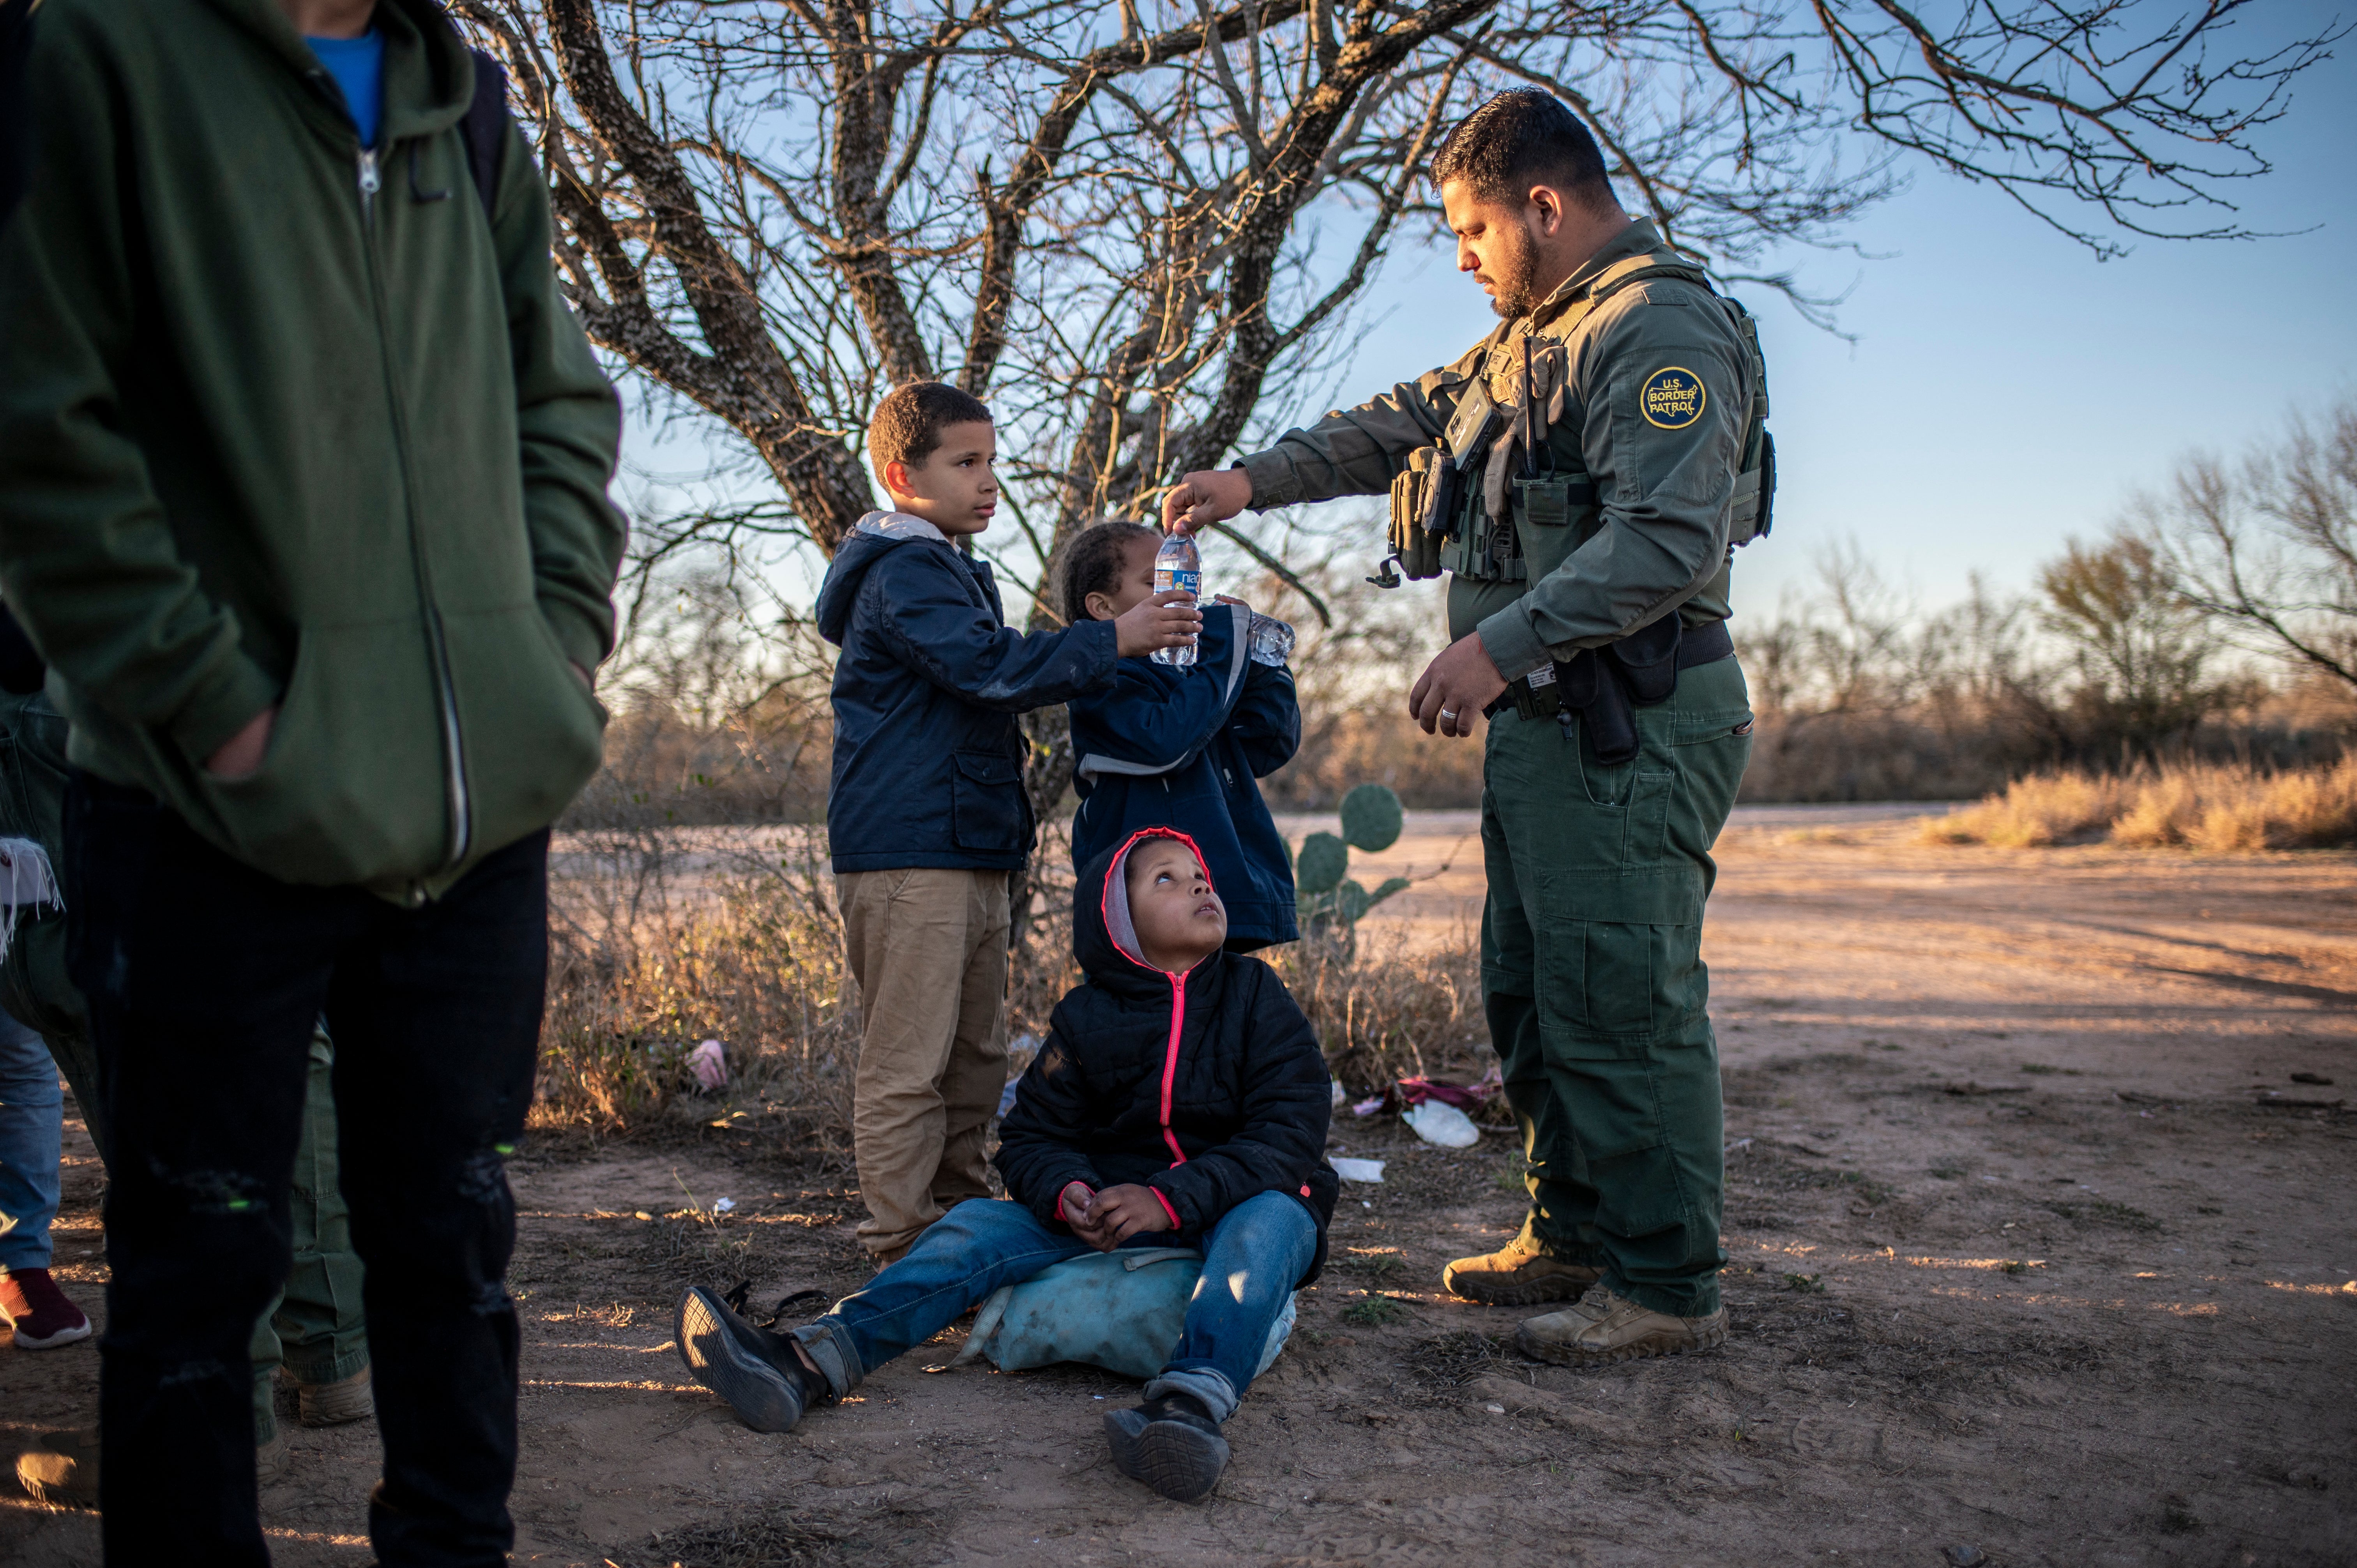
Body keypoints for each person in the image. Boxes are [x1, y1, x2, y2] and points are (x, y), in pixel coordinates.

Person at [0, 0, 628, 1559]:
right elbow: (39, 417)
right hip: (200, 812)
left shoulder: (465, 105)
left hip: (474, 811)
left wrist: (550, 655)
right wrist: (216, 713)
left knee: (451, 1246)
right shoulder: (93, 57)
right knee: (199, 1270)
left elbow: (559, 403)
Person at [1164, 89, 1770, 1367]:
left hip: (1628, 719)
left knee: (1617, 996)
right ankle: (1570, 1231)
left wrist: (1496, 646)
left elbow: (1667, 537)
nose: (1460, 255)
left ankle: (1662, 1282)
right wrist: (1244, 481)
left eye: (1470, 227)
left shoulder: (1654, 323)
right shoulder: (1524, 341)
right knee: (1533, 990)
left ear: (1542, 207)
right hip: (1548, 725)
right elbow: (1392, 422)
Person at [672, 827, 1338, 1503]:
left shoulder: (1255, 996)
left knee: (1275, 1219)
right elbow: (1031, 1136)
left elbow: (1290, 1130)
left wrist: (1168, 1199)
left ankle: (1187, 1409)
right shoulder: (1085, 1020)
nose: (1200, 882)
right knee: (974, 1227)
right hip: (1110, 1214)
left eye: (1199, 872)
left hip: (1234, 1204)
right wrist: (1069, 1191)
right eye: (1165, 878)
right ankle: (809, 1359)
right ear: (1116, 922)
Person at [814, 383, 1198, 1264]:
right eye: (966, 463)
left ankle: (956, 1221)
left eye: (992, 460)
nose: (990, 482)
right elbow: (989, 668)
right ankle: (903, 1245)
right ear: (899, 474)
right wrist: (1115, 639)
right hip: (910, 848)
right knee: (909, 1060)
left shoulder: (949, 564)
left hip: (969, 844)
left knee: (977, 1052)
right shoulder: (904, 572)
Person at [1058, 521, 1303, 949]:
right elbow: (1165, 743)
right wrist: (1224, 650)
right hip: (1148, 919)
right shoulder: (1101, 684)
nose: (1182, 595)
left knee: (1232, 1011)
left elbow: (1268, 743)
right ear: (1104, 608)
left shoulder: (1192, 680)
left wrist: (1260, 666)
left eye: (1185, 581)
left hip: (1220, 895)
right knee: (1163, 1015)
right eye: (1158, 582)